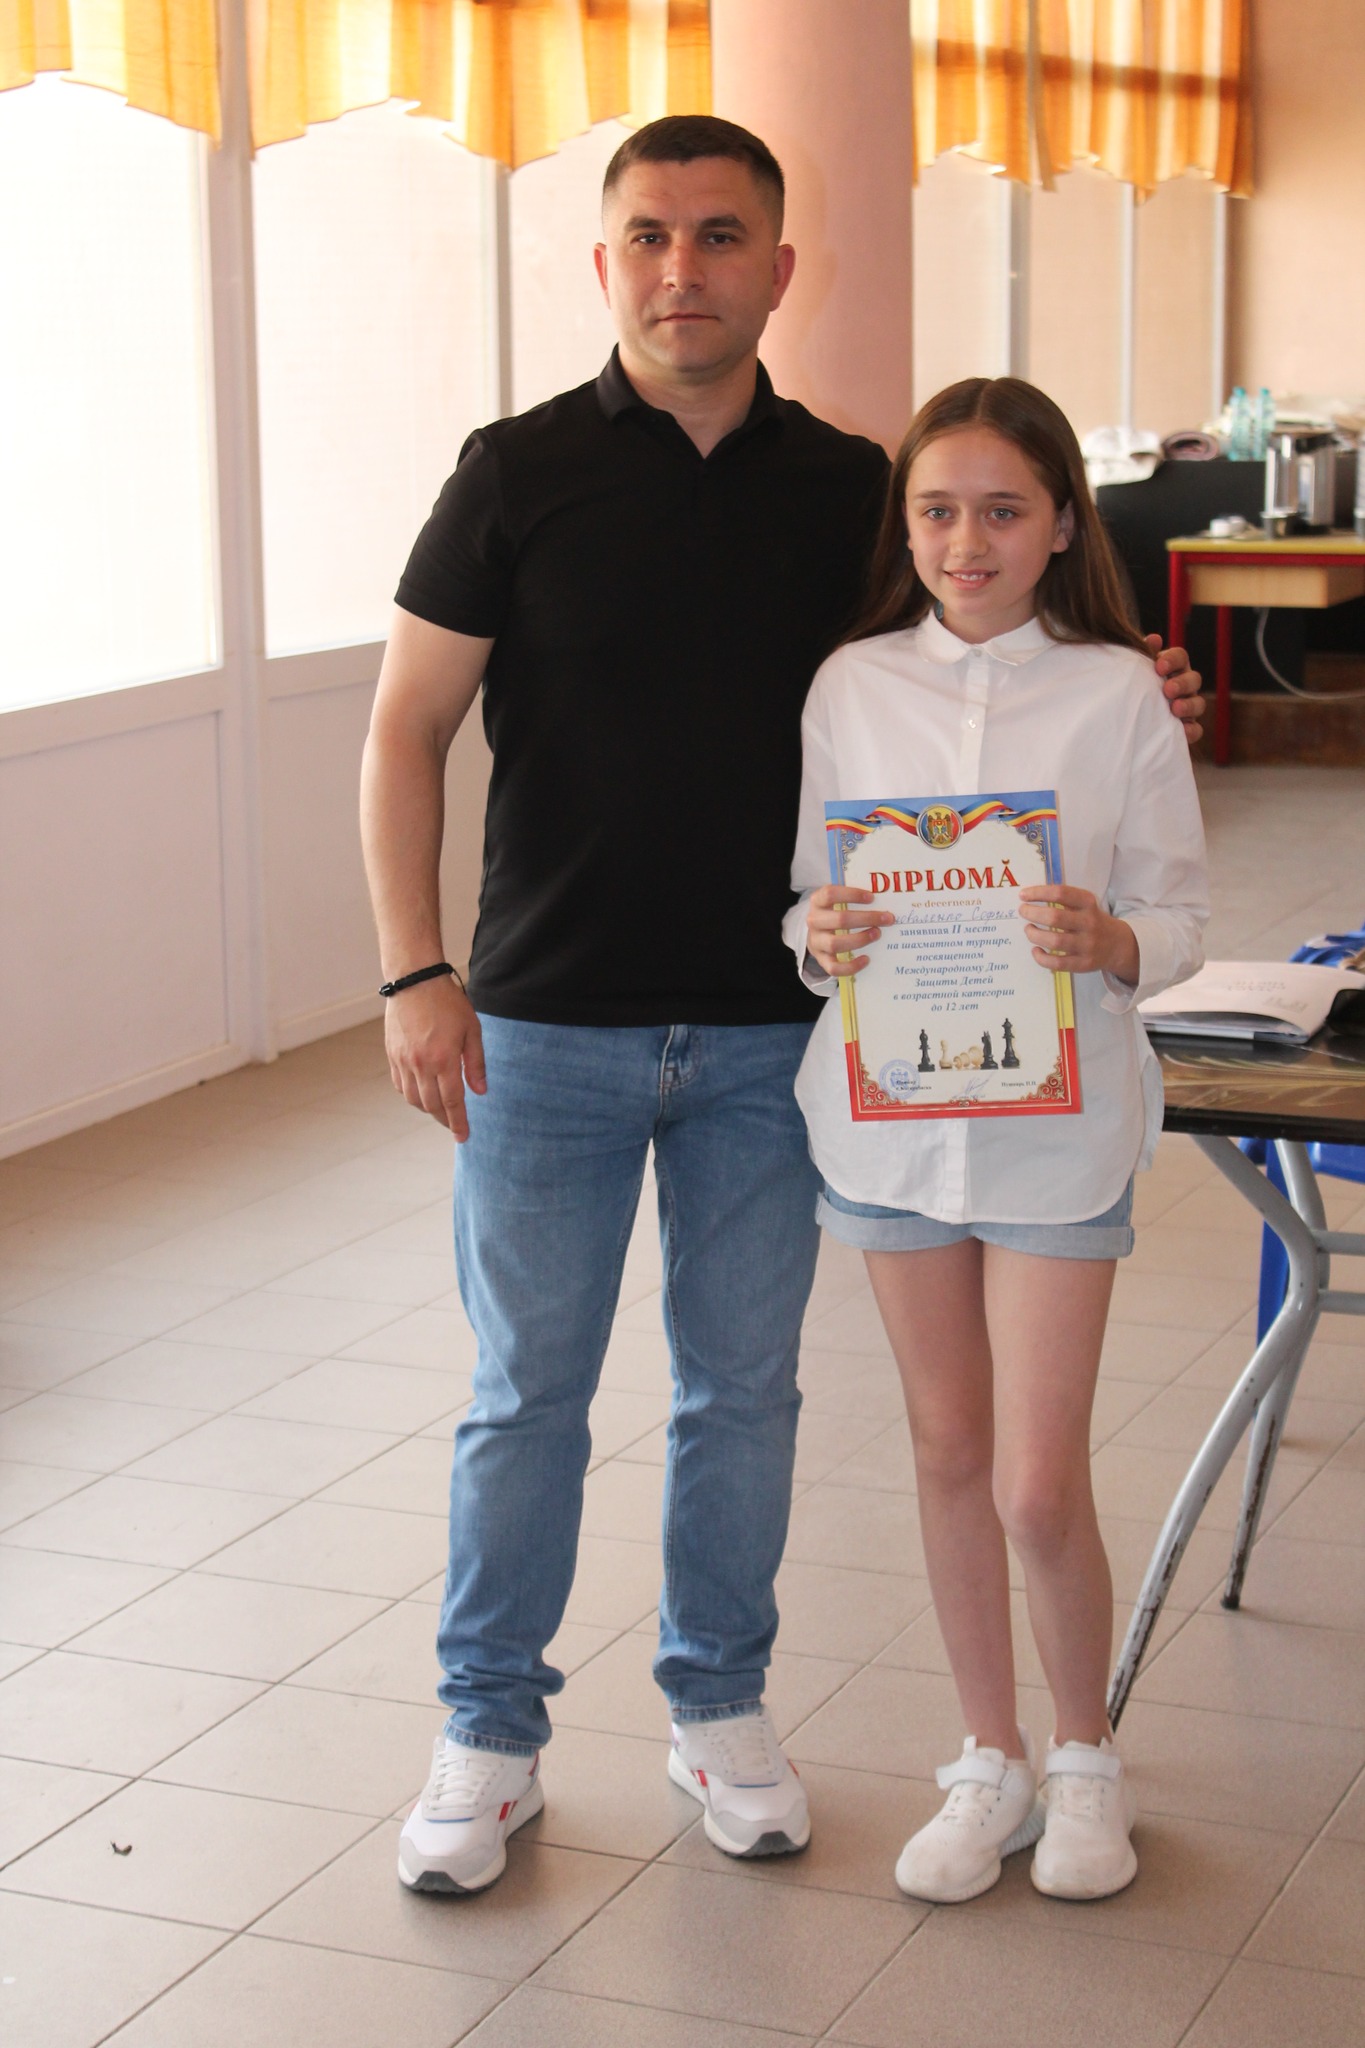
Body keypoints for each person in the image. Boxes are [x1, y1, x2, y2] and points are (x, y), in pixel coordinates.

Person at [359, 115, 1206, 1897]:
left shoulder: (848, 491)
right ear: (606, 262)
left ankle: (719, 1709)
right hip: (547, 1027)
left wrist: (1133, 684)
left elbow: (974, 652)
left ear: (777, 268)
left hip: (774, 1033)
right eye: (650, 235)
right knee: (526, 1395)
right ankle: (487, 1738)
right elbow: (403, 730)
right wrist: (415, 970)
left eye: (721, 235)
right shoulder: (512, 473)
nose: (684, 268)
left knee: (741, 1395)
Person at [788, 376, 1209, 1903]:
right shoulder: (849, 686)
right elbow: (804, 895)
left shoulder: (1114, 694)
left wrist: (1111, 939)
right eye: (936, 511)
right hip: (891, 1131)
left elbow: (1178, 914)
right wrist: (817, 932)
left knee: (1036, 1482)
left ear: (1060, 527)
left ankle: (1083, 1754)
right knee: (946, 1451)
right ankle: (989, 1760)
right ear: (902, 527)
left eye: (1001, 511)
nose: (965, 542)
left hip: (1053, 1134)